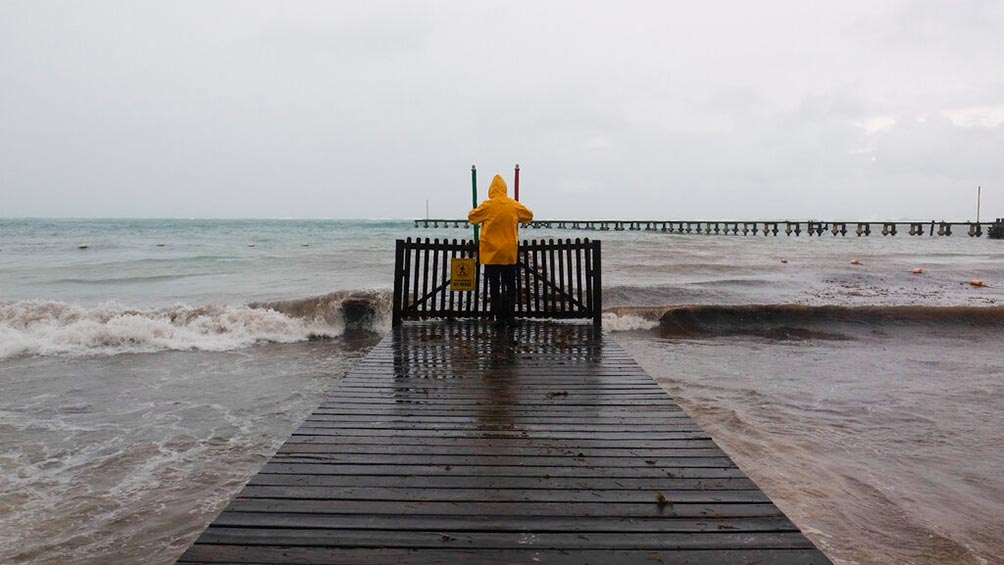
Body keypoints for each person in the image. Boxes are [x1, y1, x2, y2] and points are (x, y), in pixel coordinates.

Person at [468, 174, 534, 327]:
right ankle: (510, 318)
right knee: (510, 287)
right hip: (509, 254)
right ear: (505, 189)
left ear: (491, 190)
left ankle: (499, 319)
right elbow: (529, 216)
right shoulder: (513, 205)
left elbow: (472, 217)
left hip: (491, 255)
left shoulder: (488, 205)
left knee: (494, 288)